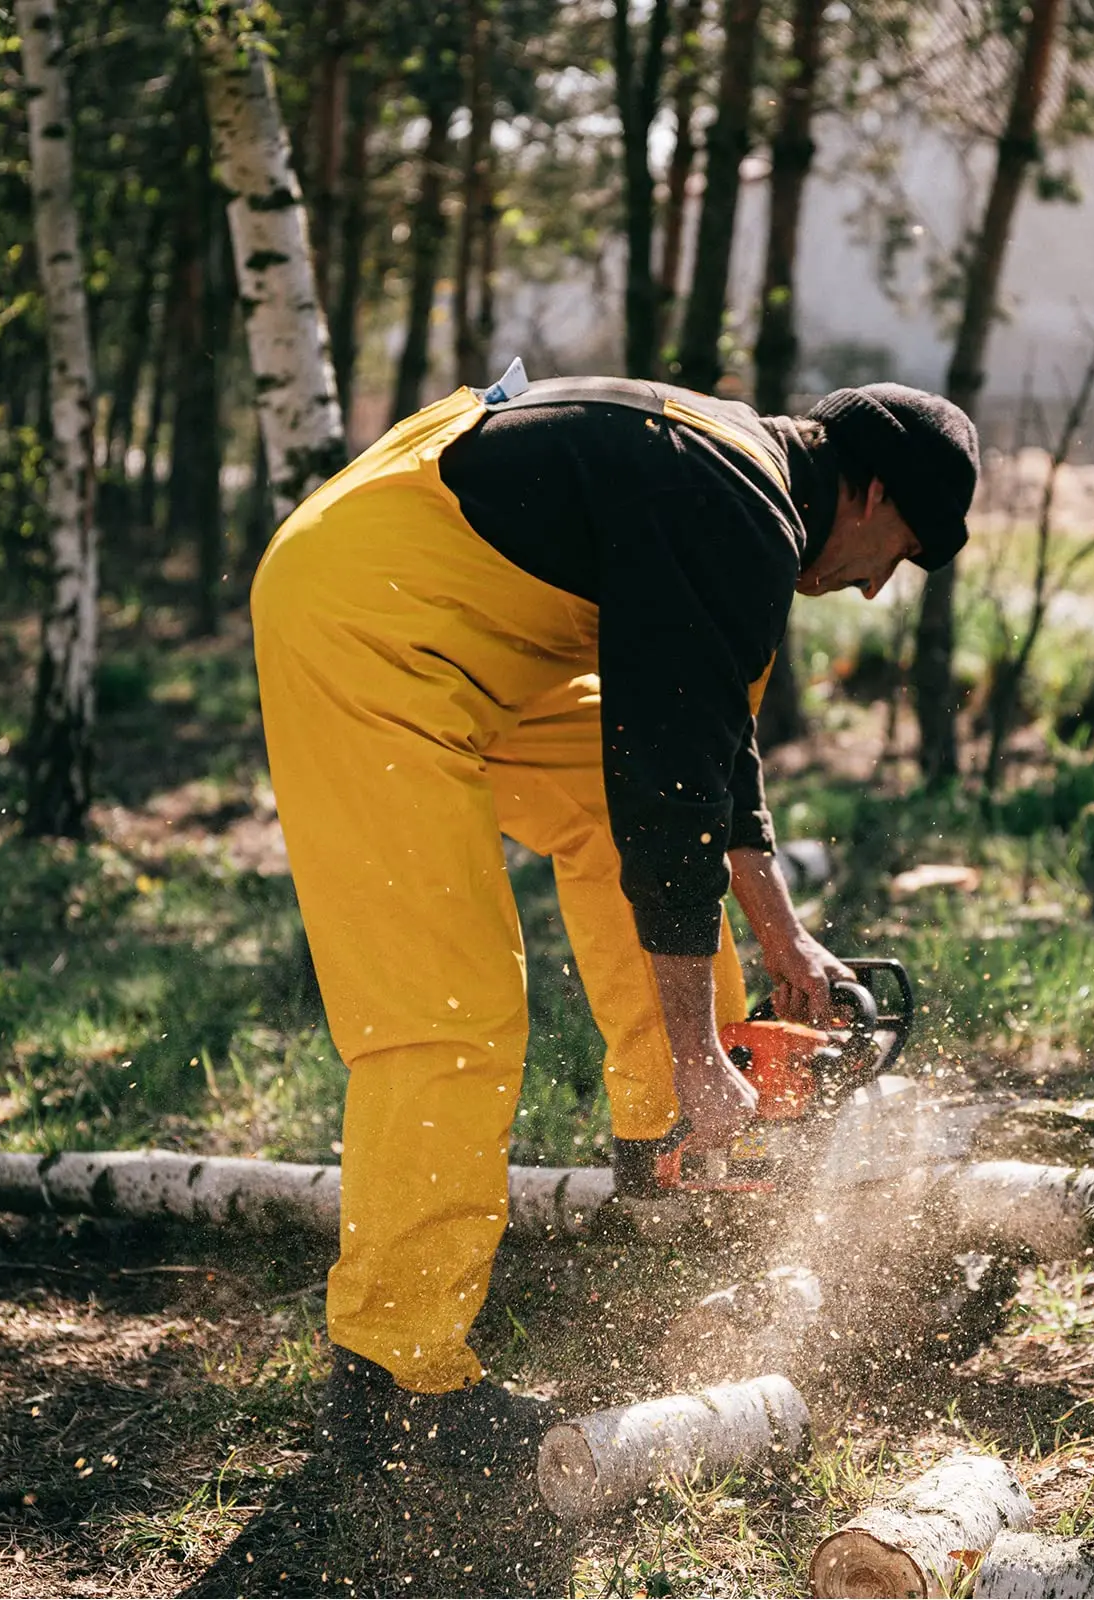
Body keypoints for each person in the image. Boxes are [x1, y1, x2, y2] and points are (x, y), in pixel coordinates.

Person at [249, 369, 979, 1476]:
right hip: (369, 626)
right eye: (904, 552)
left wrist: (785, 938)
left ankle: (674, 1141)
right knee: (449, 1011)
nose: (880, 588)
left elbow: (711, 746)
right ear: (872, 494)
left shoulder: (744, 485)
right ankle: (393, 1373)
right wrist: (695, 1041)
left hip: (454, 610)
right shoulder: (741, 515)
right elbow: (668, 801)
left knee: (608, 805)